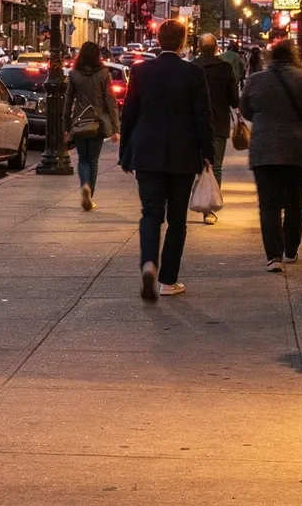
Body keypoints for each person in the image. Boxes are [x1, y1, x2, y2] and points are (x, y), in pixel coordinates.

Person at [118, 19, 212, 300]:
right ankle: (168, 281)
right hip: (183, 155)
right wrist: (208, 153)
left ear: (158, 41)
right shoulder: (194, 73)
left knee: (150, 213)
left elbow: (129, 114)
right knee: (177, 219)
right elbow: (202, 117)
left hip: (147, 152)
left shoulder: (141, 71)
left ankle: (149, 262)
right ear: (183, 42)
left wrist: (126, 152)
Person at [241, 38, 302, 272]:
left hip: (264, 150)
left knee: (268, 205)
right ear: (294, 56)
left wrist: (265, 119)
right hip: (298, 149)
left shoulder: (256, 80)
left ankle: (274, 256)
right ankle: (291, 249)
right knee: (295, 202)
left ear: (271, 56)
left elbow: (246, 109)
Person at [65, 41, 120, 211]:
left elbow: (68, 101)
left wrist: (66, 126)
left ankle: (84, 186)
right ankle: (91, 194)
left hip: (80, 122)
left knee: (82, 159)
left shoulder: (74, 74)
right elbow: (111, 101)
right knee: (93, 160)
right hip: (98, 123)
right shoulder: (104, 74)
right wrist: (116, 128)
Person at [192, 34, 240, 225]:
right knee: (216, 166)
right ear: (216, 48)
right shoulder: (225, 68)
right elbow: (234, 100)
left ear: (199, 48)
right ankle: (209, 209)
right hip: (218, 122)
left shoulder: (192, 67)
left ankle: (195, 199)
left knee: (195, 164)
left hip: (195, 123)